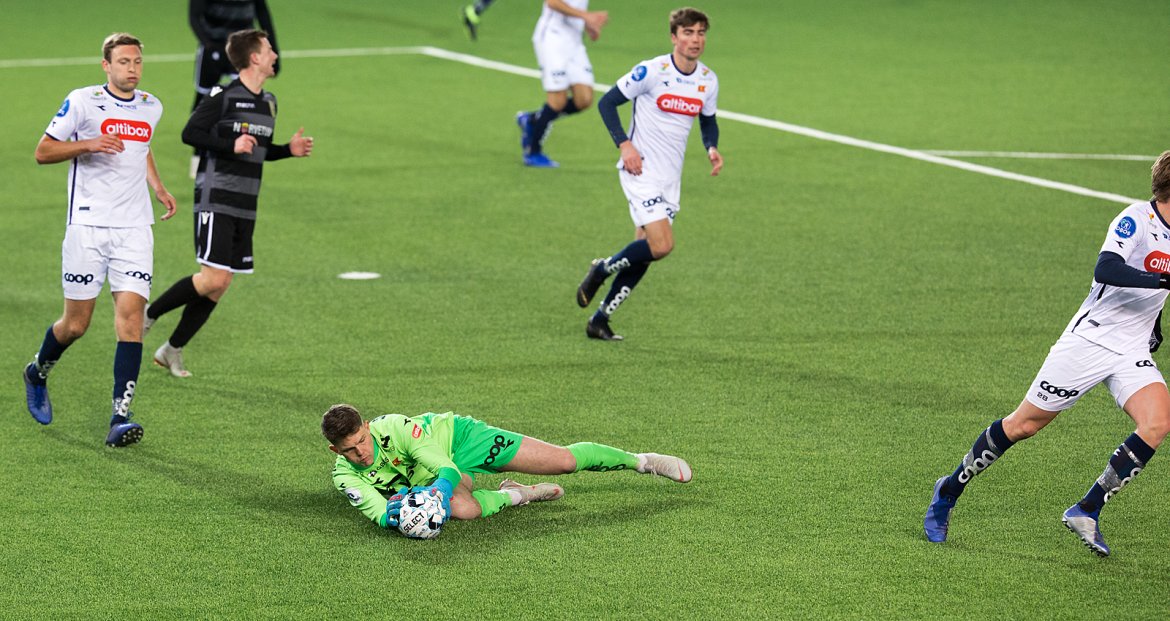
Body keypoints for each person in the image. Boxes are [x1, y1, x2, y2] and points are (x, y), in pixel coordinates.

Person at [924, 152, 1170, 557]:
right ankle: (949, 490)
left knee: (1158, 423)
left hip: (1130, 350)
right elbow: (1106, 269)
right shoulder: (1136, 220)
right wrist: (1163, 277)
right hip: (1088, 341)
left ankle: (1087, 509)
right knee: (1023, 425)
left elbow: (1155, 294)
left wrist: (1154, 327)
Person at [22, 32, 178, 447]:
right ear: (106, 66)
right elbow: (42, 151)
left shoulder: (151, 106)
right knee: (76, 325)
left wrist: (158, 187)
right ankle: (38, 371)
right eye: (124, 61)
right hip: (87, 228)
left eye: (138, 61)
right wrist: (90, 143)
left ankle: (119, 417)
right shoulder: (83, 101)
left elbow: (140, 147)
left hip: (134, 229)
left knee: (130, 322)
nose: (133, 68)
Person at [145, 29, 313, 377]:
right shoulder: (223, 97)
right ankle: (149, 313)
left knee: (221, 284)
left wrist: (287, 151)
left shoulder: (269, 101)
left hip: (246, 201)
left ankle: (171, 349)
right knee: (212, 279)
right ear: (254, 58)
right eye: (269, 50)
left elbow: (258, 151)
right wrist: (230, 145)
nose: (275, 55)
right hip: (216, 196)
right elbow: (190, 133)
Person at [575, 7, 722, 341]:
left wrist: (711, 148)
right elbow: (607, 103)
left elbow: (708, 119)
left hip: (671, 177)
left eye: (700, 33)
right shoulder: (651, 71)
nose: (695, 39)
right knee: (663, 244)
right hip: (640, 170)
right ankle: (601, 269)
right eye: (688, 33)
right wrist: (625, 145)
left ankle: (600, 319)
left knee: (646, 250)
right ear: (674, 37)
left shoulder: (707, 80)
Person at [322, 404, 692, 534]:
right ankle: (517, 493)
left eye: (362, 442)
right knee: (464, 510)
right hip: (427, 476)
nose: (361, 454)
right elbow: (375, 510)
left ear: (367, 427)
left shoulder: (399, 428)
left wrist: (436, 493)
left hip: (460, 440)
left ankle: (641, 461)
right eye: (349, 451)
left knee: (562, 461)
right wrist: (396, 516)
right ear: (334, 450)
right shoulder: (344, 475)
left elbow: (445, 468)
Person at [188, 0, 279, 177]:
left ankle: (238, 154)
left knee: (243, 102)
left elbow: (263, 13)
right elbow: (194, 17)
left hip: (243, 50)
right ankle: (198, 156)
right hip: (213, 48)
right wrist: (209, 45)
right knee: (204, 101)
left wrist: (274, 49)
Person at [515, 0, 609, 168]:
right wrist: (586, 17)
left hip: (573, 42)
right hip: (552, 39)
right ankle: (532, 152)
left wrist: (588, 25)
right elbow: (552, 2)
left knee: (584, 100)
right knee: (557, 101)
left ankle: (533, 120)